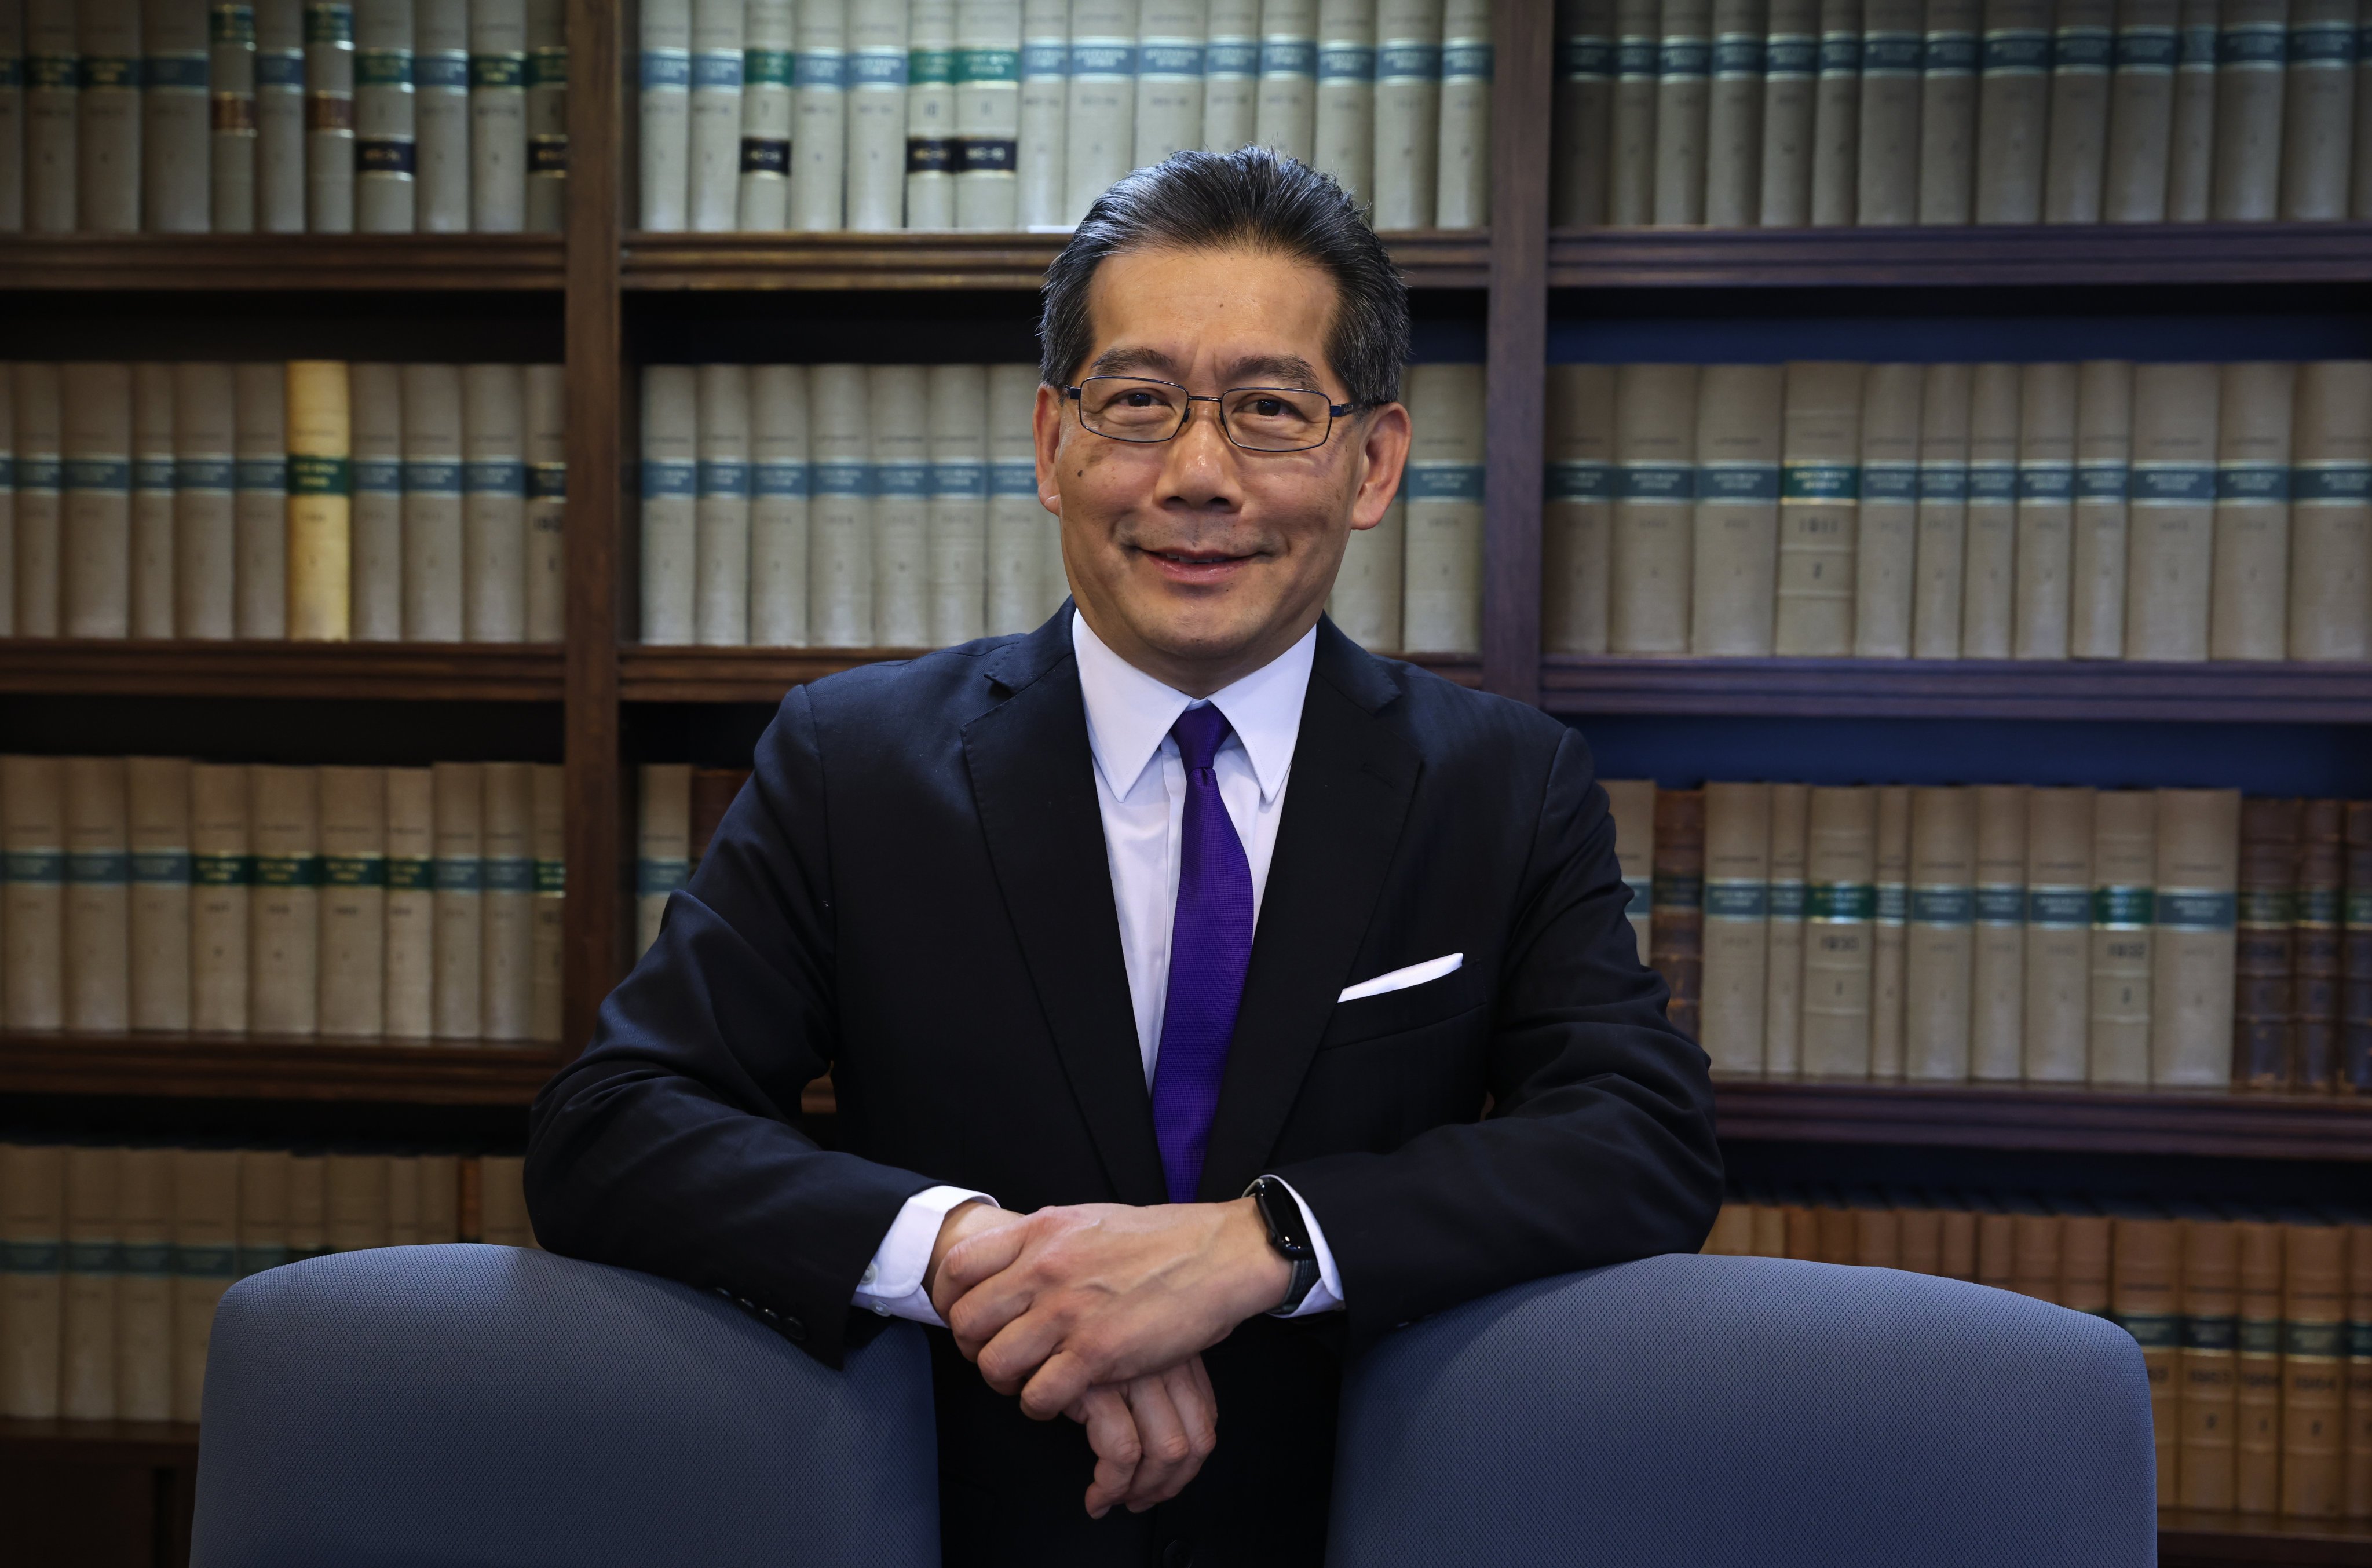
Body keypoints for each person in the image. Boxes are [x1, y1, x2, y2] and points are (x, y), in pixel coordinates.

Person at [525, 147, 1722, 1568]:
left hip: (1351, 1527)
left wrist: (1252, 1245)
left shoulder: (1500, 784)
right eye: (1138, 403)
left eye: (1270, 410)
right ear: (1051, 445)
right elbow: (614, 1124)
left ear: (1372, 464)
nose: (1198, 475)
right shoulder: (853, 763)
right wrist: (980, 1259)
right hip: (957, 1523)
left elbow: (1640, 1135)